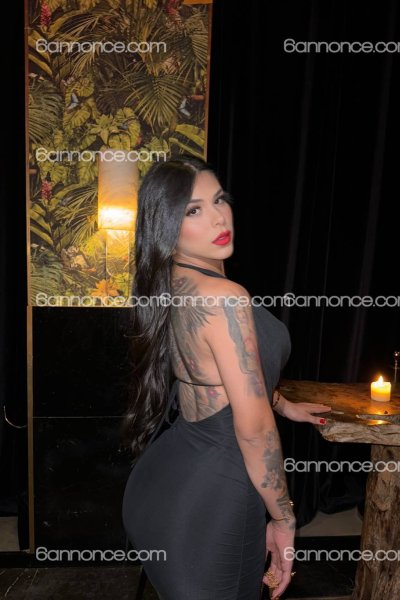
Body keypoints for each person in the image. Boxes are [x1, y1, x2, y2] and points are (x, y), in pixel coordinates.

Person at [121, 156, 331, 600]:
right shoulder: (226, 298)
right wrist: (283, 519)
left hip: (164, 483)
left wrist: (281, 402)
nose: (219, 217)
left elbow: (209, 375)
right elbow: (253, 431)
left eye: (219, 200)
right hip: (219, 493)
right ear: (167, 224)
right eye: (193, 210)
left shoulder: (172, 279)